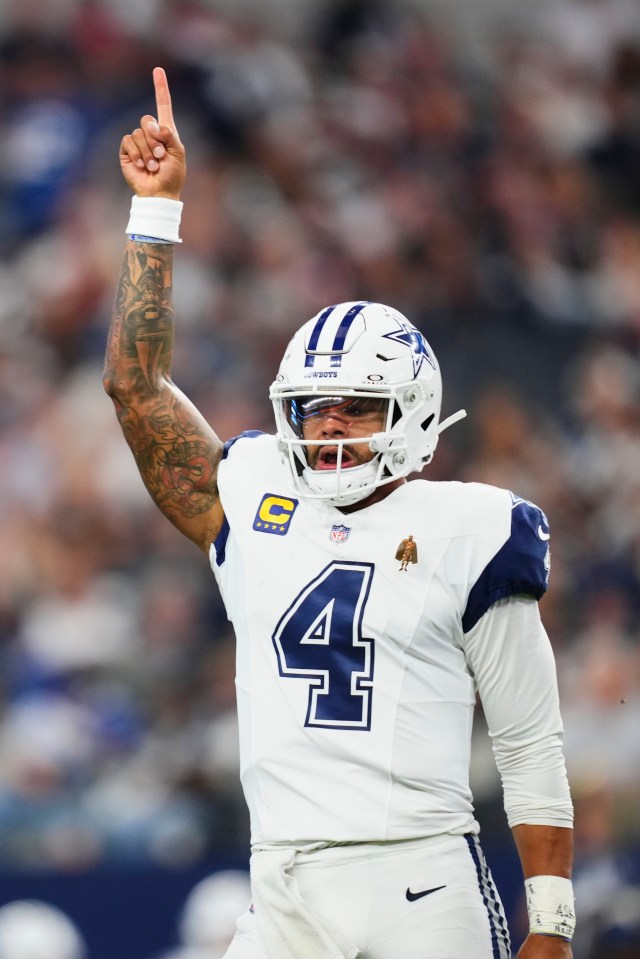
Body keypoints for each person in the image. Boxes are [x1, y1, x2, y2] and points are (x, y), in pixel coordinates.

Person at [104, 67, 575, 959]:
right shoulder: (253, 493)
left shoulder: (472, 527)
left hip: (424, 882)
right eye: (313, 405)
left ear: (414, 413)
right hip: (281, 887)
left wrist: (549, 918)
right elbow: (135, 387)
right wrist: (156, 211)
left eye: (355, 406)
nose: (328, 425)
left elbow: (527, 736)